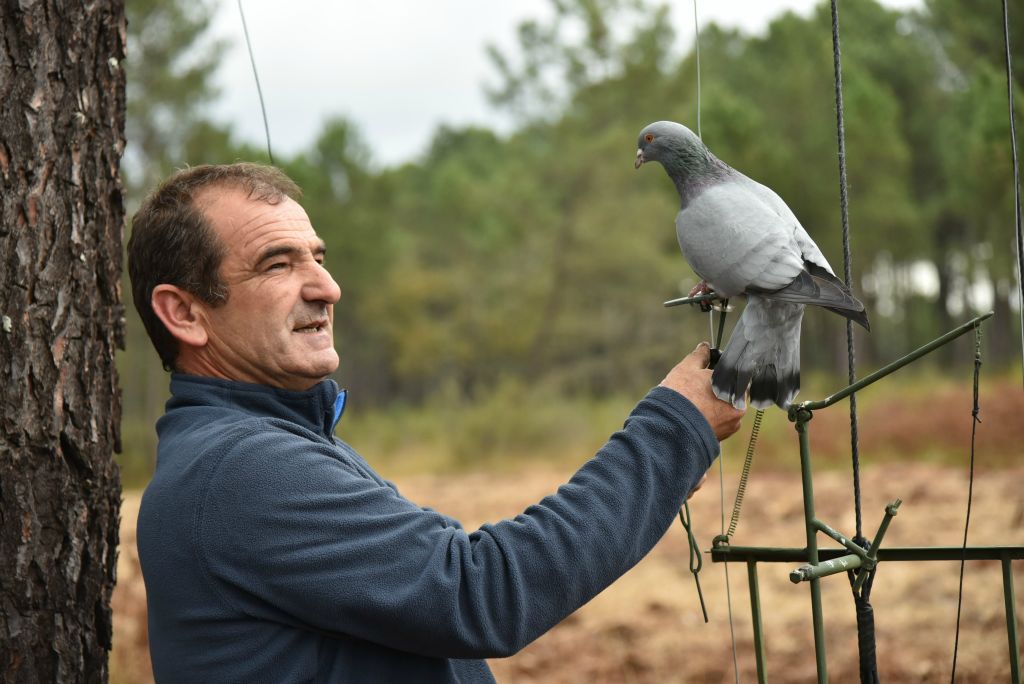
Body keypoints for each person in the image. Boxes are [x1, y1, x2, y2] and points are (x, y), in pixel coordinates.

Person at [128, 162, 746, 683]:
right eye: (276, 265)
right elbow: (481, 591)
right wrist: (673, 430)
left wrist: (666, 464)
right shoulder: (239, 469)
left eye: (318, 257)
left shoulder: (271, 443)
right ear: (183, 312)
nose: (328, 287)